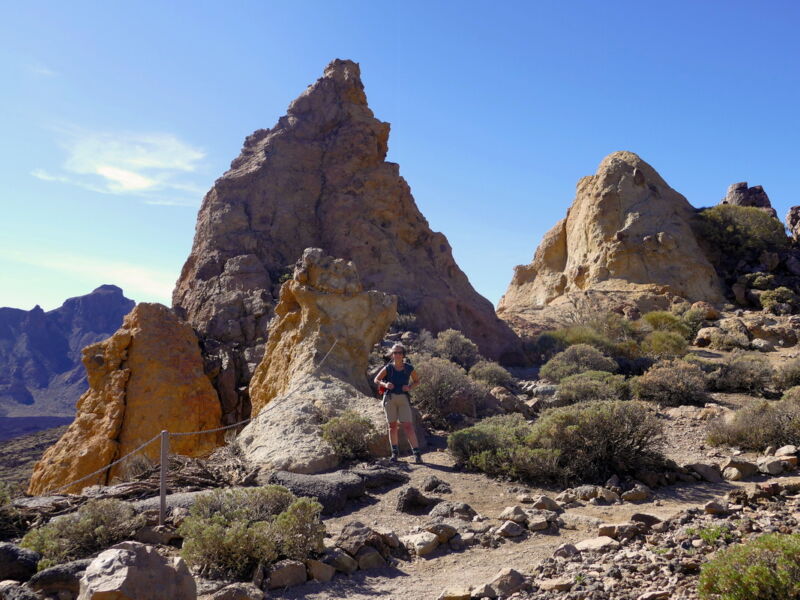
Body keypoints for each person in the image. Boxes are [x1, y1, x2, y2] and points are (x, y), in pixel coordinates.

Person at [374, 343, 423, 464]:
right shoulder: (388, 368)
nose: (397, 355)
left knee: (408, 426)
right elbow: (376, 379)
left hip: (403, 399)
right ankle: (394, 454)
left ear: (403, 355)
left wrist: (410, 387)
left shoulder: (408, 368)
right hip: (389, 398)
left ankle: (417, 454)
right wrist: (385, 385)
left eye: (399, 353)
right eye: (395, 353)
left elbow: (417, 381)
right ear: (392, 354)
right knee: (392, 426)